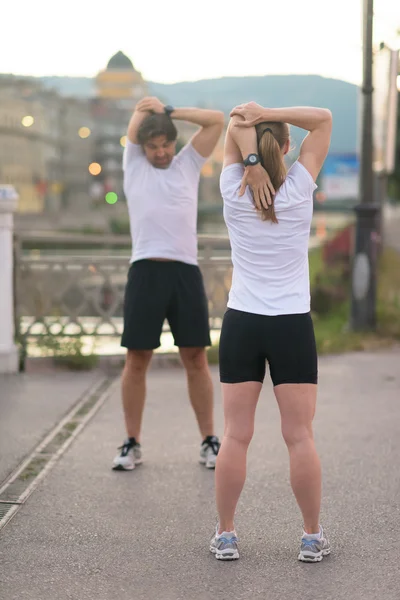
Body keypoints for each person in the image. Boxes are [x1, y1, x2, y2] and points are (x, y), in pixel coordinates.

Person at [209, 102, 332, 562]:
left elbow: (233, 123)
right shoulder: (300, 187)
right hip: (291, 325)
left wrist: (251, 163)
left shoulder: (231, 187)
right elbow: (323, 119)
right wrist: (271, 112)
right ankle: (311, 536)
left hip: (243, 320)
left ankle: (226, 534)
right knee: (299, 435)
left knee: (235, 435)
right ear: (286, 146)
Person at [113, 97, 225, 472]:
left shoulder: (188, 164)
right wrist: (145, 110)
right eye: (153, 147)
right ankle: (131, 443)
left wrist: (170, 112)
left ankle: (209, 441)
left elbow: (214, 121)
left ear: (173, 143)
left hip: (185, 272)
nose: (160, 153)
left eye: (165, 145)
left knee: (195, 358)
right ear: (143, 148)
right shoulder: (133, 164)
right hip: (145, 271)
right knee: (137, 359)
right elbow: (134, 125)